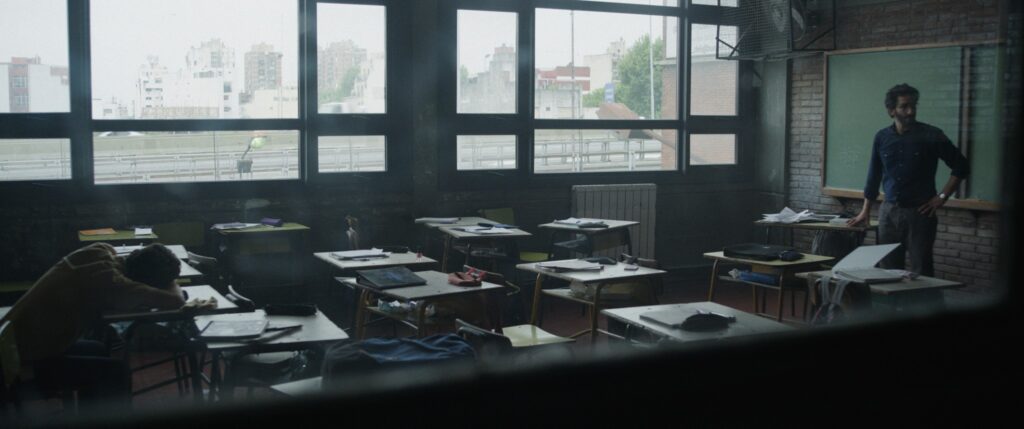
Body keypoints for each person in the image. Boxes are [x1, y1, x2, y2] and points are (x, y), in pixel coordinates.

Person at [0, 242, 186, 408]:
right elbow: (176, 300)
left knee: (97, 349)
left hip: (12, 343)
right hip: (21, 364)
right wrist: (169, 282)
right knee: (116, 373)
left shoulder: (100, 250)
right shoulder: (113, 284)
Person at [848, 83, 970, 276]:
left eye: (913, 106)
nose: (911, 111)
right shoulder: (882, 137)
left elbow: (962, 166)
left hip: (920, 213)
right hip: (888, 213)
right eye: (904, 106)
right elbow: (874, 175)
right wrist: (865, 211)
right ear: (891, 110)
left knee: (921, 270)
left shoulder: (931, 135)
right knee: (887, 270)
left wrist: (942, 197)